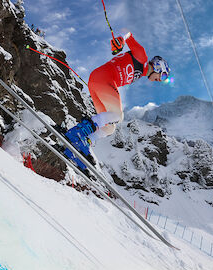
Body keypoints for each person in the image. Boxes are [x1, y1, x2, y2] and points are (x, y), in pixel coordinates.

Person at [64, 32, 170, 169]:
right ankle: (77, 133)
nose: (160, 80)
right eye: (163, 75)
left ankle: (83, 143)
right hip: (104, 78)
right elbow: (129, 35)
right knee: (118, 116)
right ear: (158, 66)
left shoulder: (141, 72)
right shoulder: (142, 57)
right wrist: (120, 40)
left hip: (97, 82)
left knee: (109, 127)